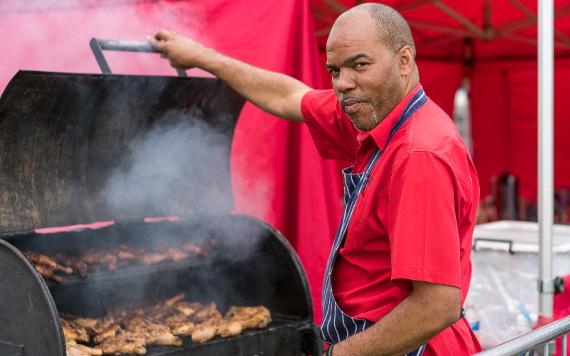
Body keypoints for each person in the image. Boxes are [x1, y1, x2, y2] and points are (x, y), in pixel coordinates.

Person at [149, 3, 482, 355]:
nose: (343, 84)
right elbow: (289, 96)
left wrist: (341, 354)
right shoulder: (372, 115)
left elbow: (437, 304)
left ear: (403, 62)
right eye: (334, 70)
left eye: (359, 65)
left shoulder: (419, 155)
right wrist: (203, 57)